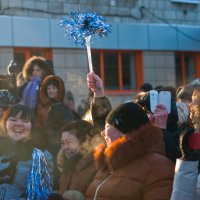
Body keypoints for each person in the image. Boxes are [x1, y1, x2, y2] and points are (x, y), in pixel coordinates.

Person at [86, 101, 174, 200]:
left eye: (107, 127)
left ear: (126, 132)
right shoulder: (108, 164)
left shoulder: (157, 166)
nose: (102, 133)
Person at [0, 104, 53, 199]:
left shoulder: (40, 156)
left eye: (24, 120)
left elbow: (42, 194)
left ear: (32, 126)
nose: (19, 124)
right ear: (4, 123)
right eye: (13, 120)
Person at [57, 120, 103, 200]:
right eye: (62, 143)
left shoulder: (97, 165)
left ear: (84, 141)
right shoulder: (67, 166)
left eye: (69, 142)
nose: (64, 148)